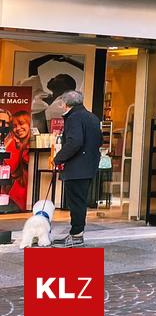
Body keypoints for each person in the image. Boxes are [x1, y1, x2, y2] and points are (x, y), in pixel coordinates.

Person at [52, 91, 101, 247]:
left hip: (76, 167)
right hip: (89, 166)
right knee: (80, 201)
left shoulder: (74, 118)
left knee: (76, 203)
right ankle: (76, 234)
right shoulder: (92, 117)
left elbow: (74, 142)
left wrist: (58, 158)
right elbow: (100, 140)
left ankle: (76, 236)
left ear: (66, 104)